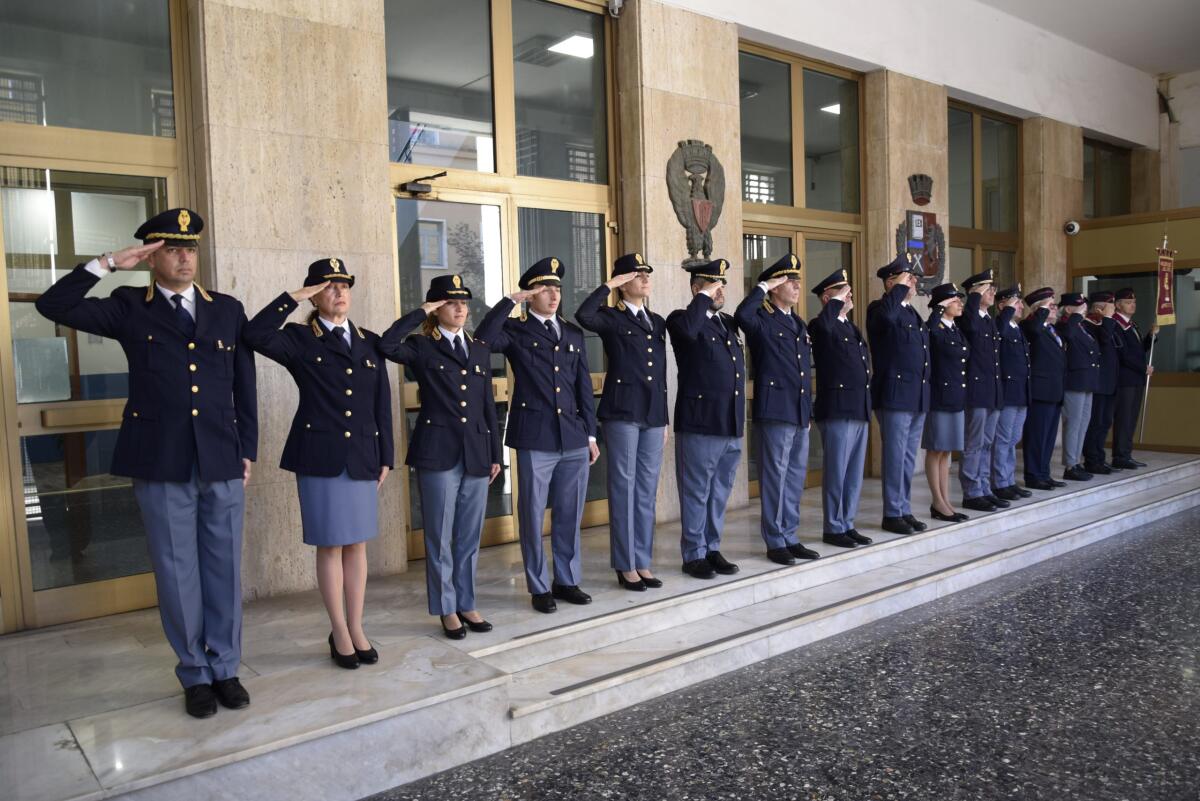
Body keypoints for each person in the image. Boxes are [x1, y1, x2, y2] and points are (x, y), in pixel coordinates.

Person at [35, 208, 257, 719]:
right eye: (172, 248)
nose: (184, 256)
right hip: (161, 461)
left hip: (221, 456)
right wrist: (109, 262)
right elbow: (54, 304)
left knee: (223, 568)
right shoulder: (129, 306)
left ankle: (225, 667)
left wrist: (247, 448)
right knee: (178, 572)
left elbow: (242, 383)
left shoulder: (226, 308)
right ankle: (194, 673)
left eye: (190, 248)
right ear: (153, 256)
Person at [243, 259, 393, 667]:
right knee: (330, 545)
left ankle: (357, 626)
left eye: (344, 285)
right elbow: (254, 334)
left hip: (362, 454)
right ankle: (339, 631)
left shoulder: (368, 341)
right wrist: (292, 299)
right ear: (314, 294)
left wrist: (387, 456)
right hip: (320, 456)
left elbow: (381, 402)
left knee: (357, 544)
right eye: (328, 287)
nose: (338, 292)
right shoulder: (298, 338)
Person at [379, 275, 502, 638]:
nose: (460, 307)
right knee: (439, 536)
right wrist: (419, 312)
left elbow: (486, 406)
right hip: (438, 454)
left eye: (463, 301)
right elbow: (387, 344)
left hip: (477, 452)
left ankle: (467, 602)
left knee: (468, 536)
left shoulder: (478, 348)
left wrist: (495, 451)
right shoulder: (421, 345)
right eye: (450, 302)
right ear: (436, 308)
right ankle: (446, 607)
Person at [475, 258, 599, 614]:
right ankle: (539, 585)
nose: (553, 294)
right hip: (535, 436)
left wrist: (590, 434)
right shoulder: (515, 330)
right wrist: (509, 302)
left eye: (557, 288)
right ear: (531, 295)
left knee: (569, 512)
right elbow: (482, 338)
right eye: (545, 289)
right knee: (531, 512)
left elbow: (583, 388)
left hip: (574, 436)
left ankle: (567, 579)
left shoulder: (572, 332)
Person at [575, 253, 668, 591]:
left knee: (646, 491)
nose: (644, 279)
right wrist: (608, 285)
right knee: (623, 488)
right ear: (622, 282)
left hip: (653, 414)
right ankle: (625, 563)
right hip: (622, 412)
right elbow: (583, 314)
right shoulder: (610, 317)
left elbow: (659, 374)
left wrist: (665, 419)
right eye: (637, 274)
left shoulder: (656, 321)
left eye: (647, 273)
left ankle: (642, 560)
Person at [734, 254, 822, 566]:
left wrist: (808, 411)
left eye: (797, 281)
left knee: (796, 476)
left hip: (798, 411)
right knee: (775, 477)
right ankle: (774, 539)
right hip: (775, 411)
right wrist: (761, 286)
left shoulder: (796, 322)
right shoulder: (761, 318)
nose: (797, 286)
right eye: (790, 281)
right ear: (775, 287)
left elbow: (800, 371)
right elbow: (741, 315)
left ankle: (790, 534)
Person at [667, 259, 745, 579]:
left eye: (722, 284)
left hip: (729, 421)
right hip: (699, 422)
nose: (720, 290)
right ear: (696, 288)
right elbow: (688, 332)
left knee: (719, 491)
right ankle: (693, 553)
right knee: (696, 491)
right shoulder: (682, 319)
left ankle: (712, 547)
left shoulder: (727, 322)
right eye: (712, 285)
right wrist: (702, 299)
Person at [808, 269, 873, 548]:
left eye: (849, 290)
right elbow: (822, 327)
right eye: (841, 291)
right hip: (837, 409)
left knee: (853, 473)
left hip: (858, 407)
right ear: (827, 298)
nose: (849, 294)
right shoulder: (822, 324)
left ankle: (847, 522)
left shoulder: (850, 326)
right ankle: (833, 527)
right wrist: (834, 302)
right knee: (837, 471)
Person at [866, 254, 930, 536]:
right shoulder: (880, 308)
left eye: (912, 278)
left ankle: (903, 508)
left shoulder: (911, 313)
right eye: (906, 278)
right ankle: (892, 512)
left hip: (915, 395)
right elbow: (886, 319)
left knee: (907, 457)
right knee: (894, 456)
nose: (912, 282)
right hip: (894, 396)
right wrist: (899, 289)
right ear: (890, 282)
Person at [957, 269, 1008, 512]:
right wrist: (974, 297)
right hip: (977, 392)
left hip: (992, 391)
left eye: (992, 289)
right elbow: (971, 328)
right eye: (987, 289)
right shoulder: (969, 317)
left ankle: (984, 487)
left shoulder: (988, 318)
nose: (992, 293)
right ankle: (971, 491)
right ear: (974, 293)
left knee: (988, 442)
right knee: (974, 443)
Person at [924, 283, 970, 523]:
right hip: (939, 397)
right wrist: (937, 312)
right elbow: (928, 335)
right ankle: (937, 501)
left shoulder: (955, 329)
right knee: (936, 449)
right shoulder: (936, 327)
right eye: (955, 300)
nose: (960, 303)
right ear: (942, 305)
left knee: (946, 452)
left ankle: (945, 500)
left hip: (955, 397)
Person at [1020, 287, 1066, 491]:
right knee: (1037, 435)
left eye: (1054, 306)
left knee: (1048, 436)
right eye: (1050, 306)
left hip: (1054, 389)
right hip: (1040, 390)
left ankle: (1044, 473)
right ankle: (1033, 475)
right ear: (1040, 309)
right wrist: (1043, 311)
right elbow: (1034, 330)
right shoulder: (1030, 325)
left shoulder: (1051, 329)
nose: (1054, 309)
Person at [991, 285, 1033, 501]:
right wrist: (1006, 311)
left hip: (1020, 392)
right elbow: (1000, 334)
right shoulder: (1000, 324)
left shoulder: (1017, 327)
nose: (1019, 306)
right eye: (1015, 303)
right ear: (1001, 305)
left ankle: (1008, 480)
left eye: (1019, 303)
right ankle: (999, 482)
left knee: (1013, 438)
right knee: (1003, 439)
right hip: (1007, 392)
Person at [1111, 288, 1158, 470]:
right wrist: (1142, 368)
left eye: (1134, 302)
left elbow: (1138, 351)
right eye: (1128, 302)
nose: (1133, 305)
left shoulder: (1132, 324)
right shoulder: (1116, 324)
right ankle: (1120, 456)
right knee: (1124, 418)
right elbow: (1123, 354)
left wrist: (1151, 337)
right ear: (1118, 305)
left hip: (1136, 378)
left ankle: (1126, 454)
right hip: (1125, 380)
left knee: (1131, 418)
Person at [1056, 292, 1100, 481]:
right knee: (1073, 424)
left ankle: (1077, 460)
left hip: (1086, 381)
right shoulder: (1064, 325)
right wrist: (1075, 316)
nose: (1084, 309)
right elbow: (1068, 335)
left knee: (1083, 423)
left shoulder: (1081, 326)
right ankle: (1070, 465)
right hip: (1074, 381)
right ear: (1068, 308)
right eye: (1079, 306)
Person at [1082, 291, 1121, 474]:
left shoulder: (1105, 324)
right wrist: (1106, 319)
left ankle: (1099, 457)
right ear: (1099, 308)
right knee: (1095, 423)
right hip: (1098, 383)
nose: (1113, 311)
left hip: (1109, 382)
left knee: (1105, 422)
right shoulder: (1088, 325)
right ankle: (1091, 460)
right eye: (1111, 307)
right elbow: (1104, 340)